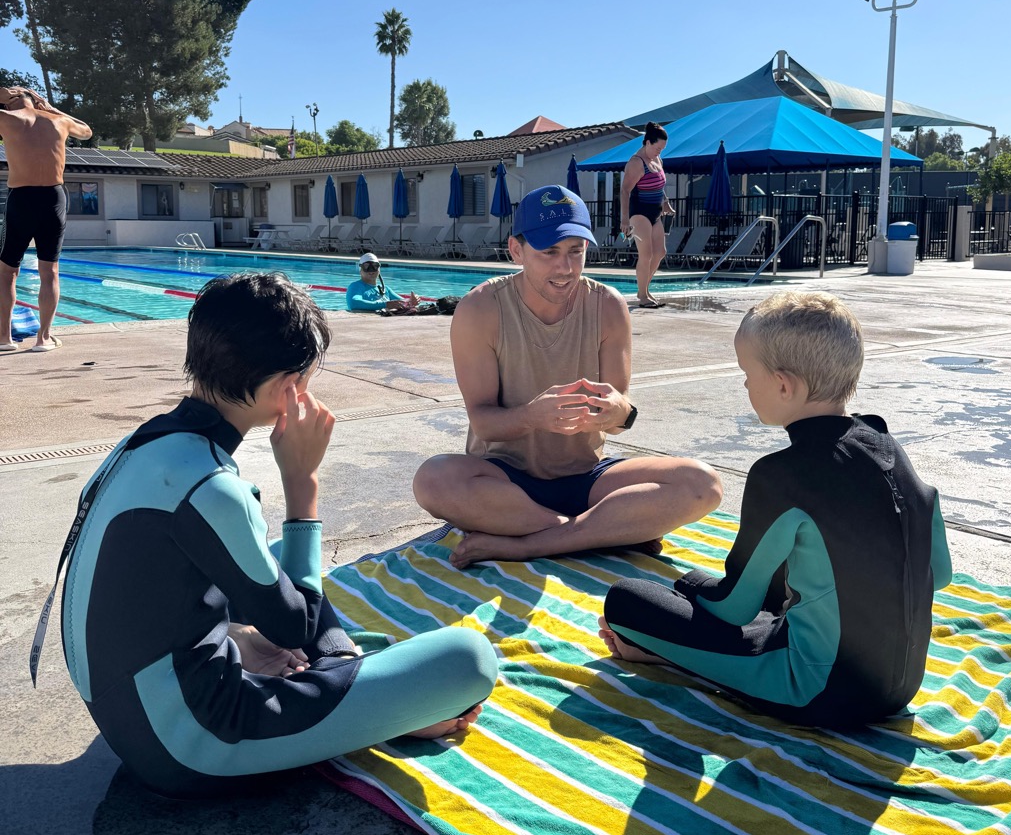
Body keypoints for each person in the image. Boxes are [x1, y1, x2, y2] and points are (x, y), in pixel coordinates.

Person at [56, 272, 498, 797]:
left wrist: (235, 635)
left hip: (125, 709)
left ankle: (343, 674)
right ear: (285, 388)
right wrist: (302, 481)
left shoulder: (144, 442)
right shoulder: (211, 488)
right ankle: (358, 692)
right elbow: (294, 625)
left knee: (277, 555)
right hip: (188, 744)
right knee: (470, 659)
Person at [600, 293, 953, 728]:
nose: (745, 386)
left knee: (628, 600)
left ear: (784, 386)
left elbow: (734, 609)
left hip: (818, 691)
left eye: (747, 374)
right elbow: (939, 572)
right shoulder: (887, 446)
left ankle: (667, 653)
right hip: (900, 686)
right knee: (732, 587)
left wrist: (690, 591)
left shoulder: (781, 475)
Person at [412, 186, 722, 570]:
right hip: (504, 484)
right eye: (550, 252)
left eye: (576, 251)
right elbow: (484, 422)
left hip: (586, 477)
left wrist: (619, 412)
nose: (566, 268)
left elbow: (620, 418)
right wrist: (532, 417)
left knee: (702, 484)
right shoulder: (481, 308)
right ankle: (596, 532)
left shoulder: (608, 306)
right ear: (516, 251)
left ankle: (530, 544)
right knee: (433, 479)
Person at [0, 85, 92, 353]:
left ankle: (4, 338)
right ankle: (44, 338)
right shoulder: (58, 121)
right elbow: (87, 131)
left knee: (7, 272)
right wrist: (51, 108)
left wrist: (6, 97)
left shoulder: (6, 118)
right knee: (49, 271)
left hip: (21, 198)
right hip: (53, 199)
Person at [619, 120, 674, 309]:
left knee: (660, 252)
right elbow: (625, 190)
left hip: (655, 213)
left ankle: (644, 290)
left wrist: (665, 202)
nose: (659, 152)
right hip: (639, 213)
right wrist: (624, 219)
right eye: (657, 148)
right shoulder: (636, 163)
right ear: (648, 142)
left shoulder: (657, 160)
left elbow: (659, 185)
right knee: (647, 254)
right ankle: (642, 296)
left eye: (662, 149)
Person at [345, 253, 424, 313]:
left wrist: (412, 301)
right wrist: (385, 305)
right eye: (366, 266)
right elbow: (354, 303)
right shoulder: (356, 286)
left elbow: (402, 303)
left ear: (379, 269)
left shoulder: (385, 289)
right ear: (360, 270)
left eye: (375, 266)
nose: (371, 270)